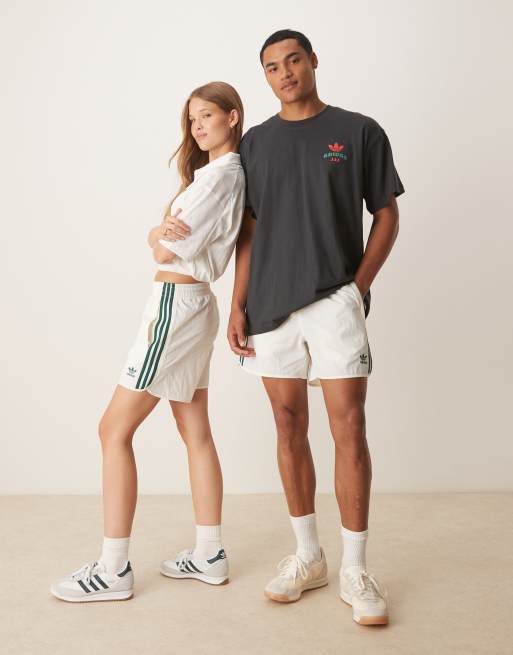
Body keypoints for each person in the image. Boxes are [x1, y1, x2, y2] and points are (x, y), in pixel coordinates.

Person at [228, 30, 405, 626]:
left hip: (334, 299)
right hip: (270, 305)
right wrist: (237, 304)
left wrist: (357, 287)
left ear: (313, 62)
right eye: (272, 67)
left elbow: (387, 213)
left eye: (293, 60)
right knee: (287, 424)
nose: (284, 73)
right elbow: (249, 229)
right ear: (265, 76)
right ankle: (309, 556)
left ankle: (355, 568)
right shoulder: (255, 142)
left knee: (348, 425)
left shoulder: (358, 131)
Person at [50, 81, 246, 602]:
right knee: (194, 428)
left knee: (112, 429)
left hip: (175, 308)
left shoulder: (218, 179)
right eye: (192, 119)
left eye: (207, 116)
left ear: (232, 116)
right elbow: (163, 239)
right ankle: (209, 553)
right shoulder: (221, 176)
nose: (197, 126)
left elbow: (164, 251)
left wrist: (156, 234)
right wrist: (157, 232)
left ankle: (113, 569)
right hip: (194, 304)